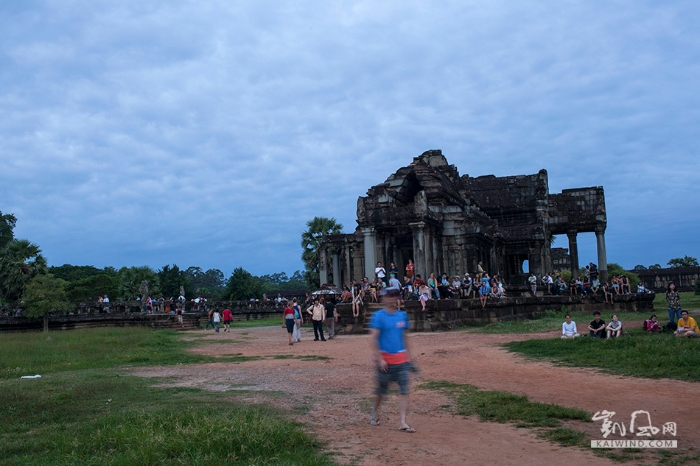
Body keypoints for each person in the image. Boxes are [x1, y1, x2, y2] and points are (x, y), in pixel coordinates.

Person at [369, 288, 415, 433]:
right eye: (390, 296)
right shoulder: (378, 317)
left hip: (401, 360)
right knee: (381, 392)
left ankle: (402, 421)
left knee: (404, 390)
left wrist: (409, 357)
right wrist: (380, 358)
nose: (393, 299)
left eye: (395, 296)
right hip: (386, 361)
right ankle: (375, 411)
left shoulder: (402, 316)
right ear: (383, 299)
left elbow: (405, 338)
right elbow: (373, 339)